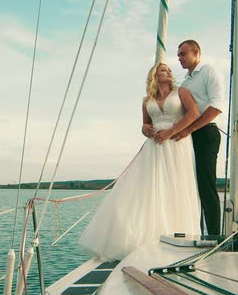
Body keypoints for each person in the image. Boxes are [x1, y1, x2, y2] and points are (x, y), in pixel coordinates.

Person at [78, 62, 202, 261]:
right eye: (164, 70)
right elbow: (145, 124)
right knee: (148, 188)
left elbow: (194, 114)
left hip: (177, 143)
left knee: (176, 187)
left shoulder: (182, 92)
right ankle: (145, 238)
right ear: (154, 75)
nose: (169, 72)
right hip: (154, 147)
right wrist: (146, 130)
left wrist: (171, 132)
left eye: (169, 70)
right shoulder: (147, 100)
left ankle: (179, 239)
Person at [172, 40, 224, 236]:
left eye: (183, 54)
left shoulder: (209, 71)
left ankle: (213, 236)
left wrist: (188, 130)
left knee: (206, 185)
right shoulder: (184, 83)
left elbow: (216, 107)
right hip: (188, 136)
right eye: (178, 55)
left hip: (206, 133)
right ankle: (195, 231)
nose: (180, 58)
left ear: (196, 52)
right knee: (189, 186)